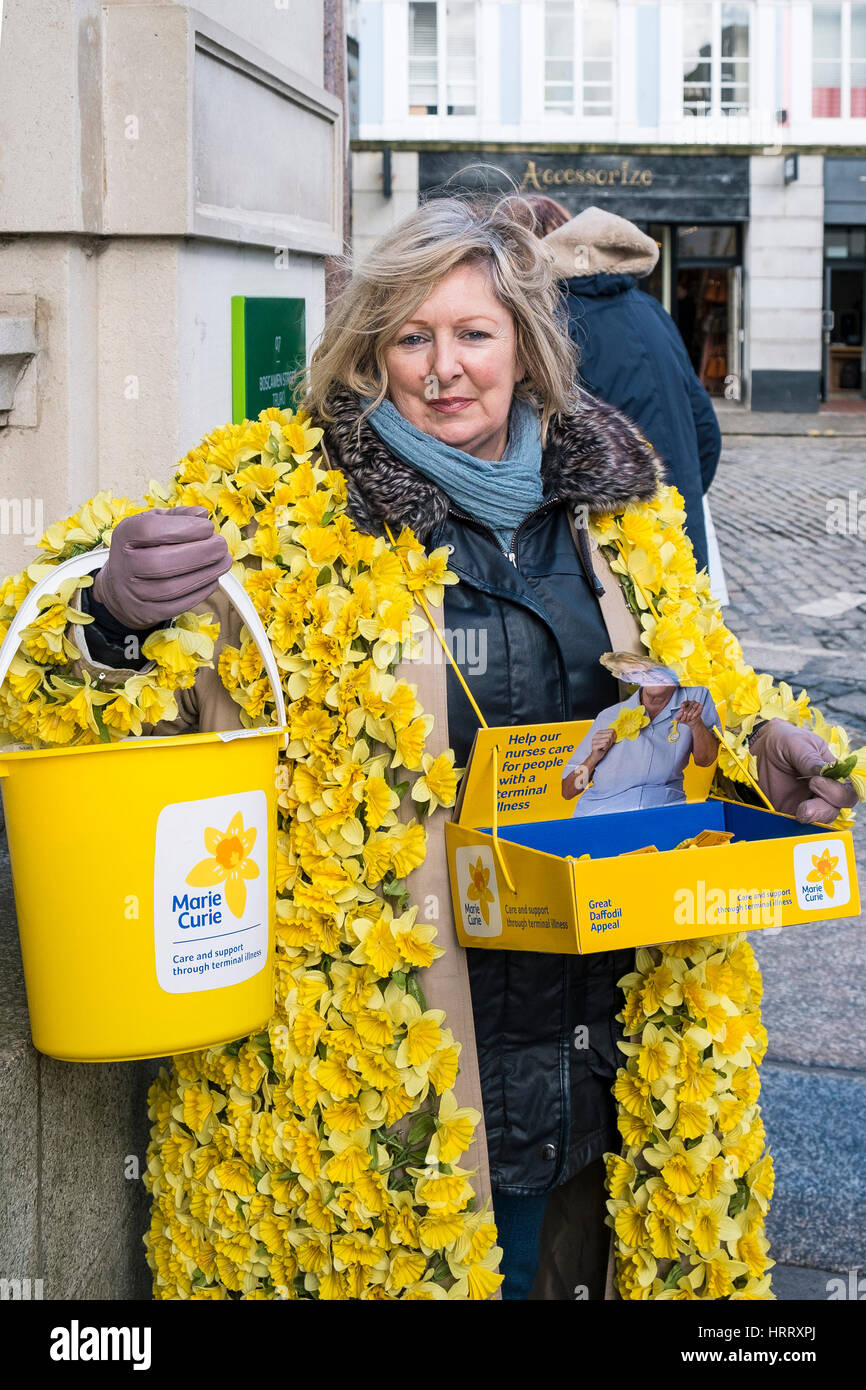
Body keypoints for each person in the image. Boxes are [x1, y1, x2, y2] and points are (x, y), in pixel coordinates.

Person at [19, 196, 855, 1300]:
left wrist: (759, 745)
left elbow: (698, 689)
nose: (445, 367)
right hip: (401, 1084)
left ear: (526, 345)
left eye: (474, 333)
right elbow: (59, 676)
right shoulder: (277, 510)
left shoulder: (616, 514)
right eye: (412, 336)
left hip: (607, 1049)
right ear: (371, 354)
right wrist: (110, 619)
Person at [514, 198, 721, 575]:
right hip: (675, 536)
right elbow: (705, 427)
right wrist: (677, 497)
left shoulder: (552, 324)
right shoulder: (652, 309)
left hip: (608, 555)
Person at [562, 683, 718, 816]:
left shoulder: (695, 702)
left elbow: (706, 760)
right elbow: (568, 791)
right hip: (602, 817)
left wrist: (696, 724)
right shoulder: (608, 717)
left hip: (661, 815)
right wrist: (593, 758)